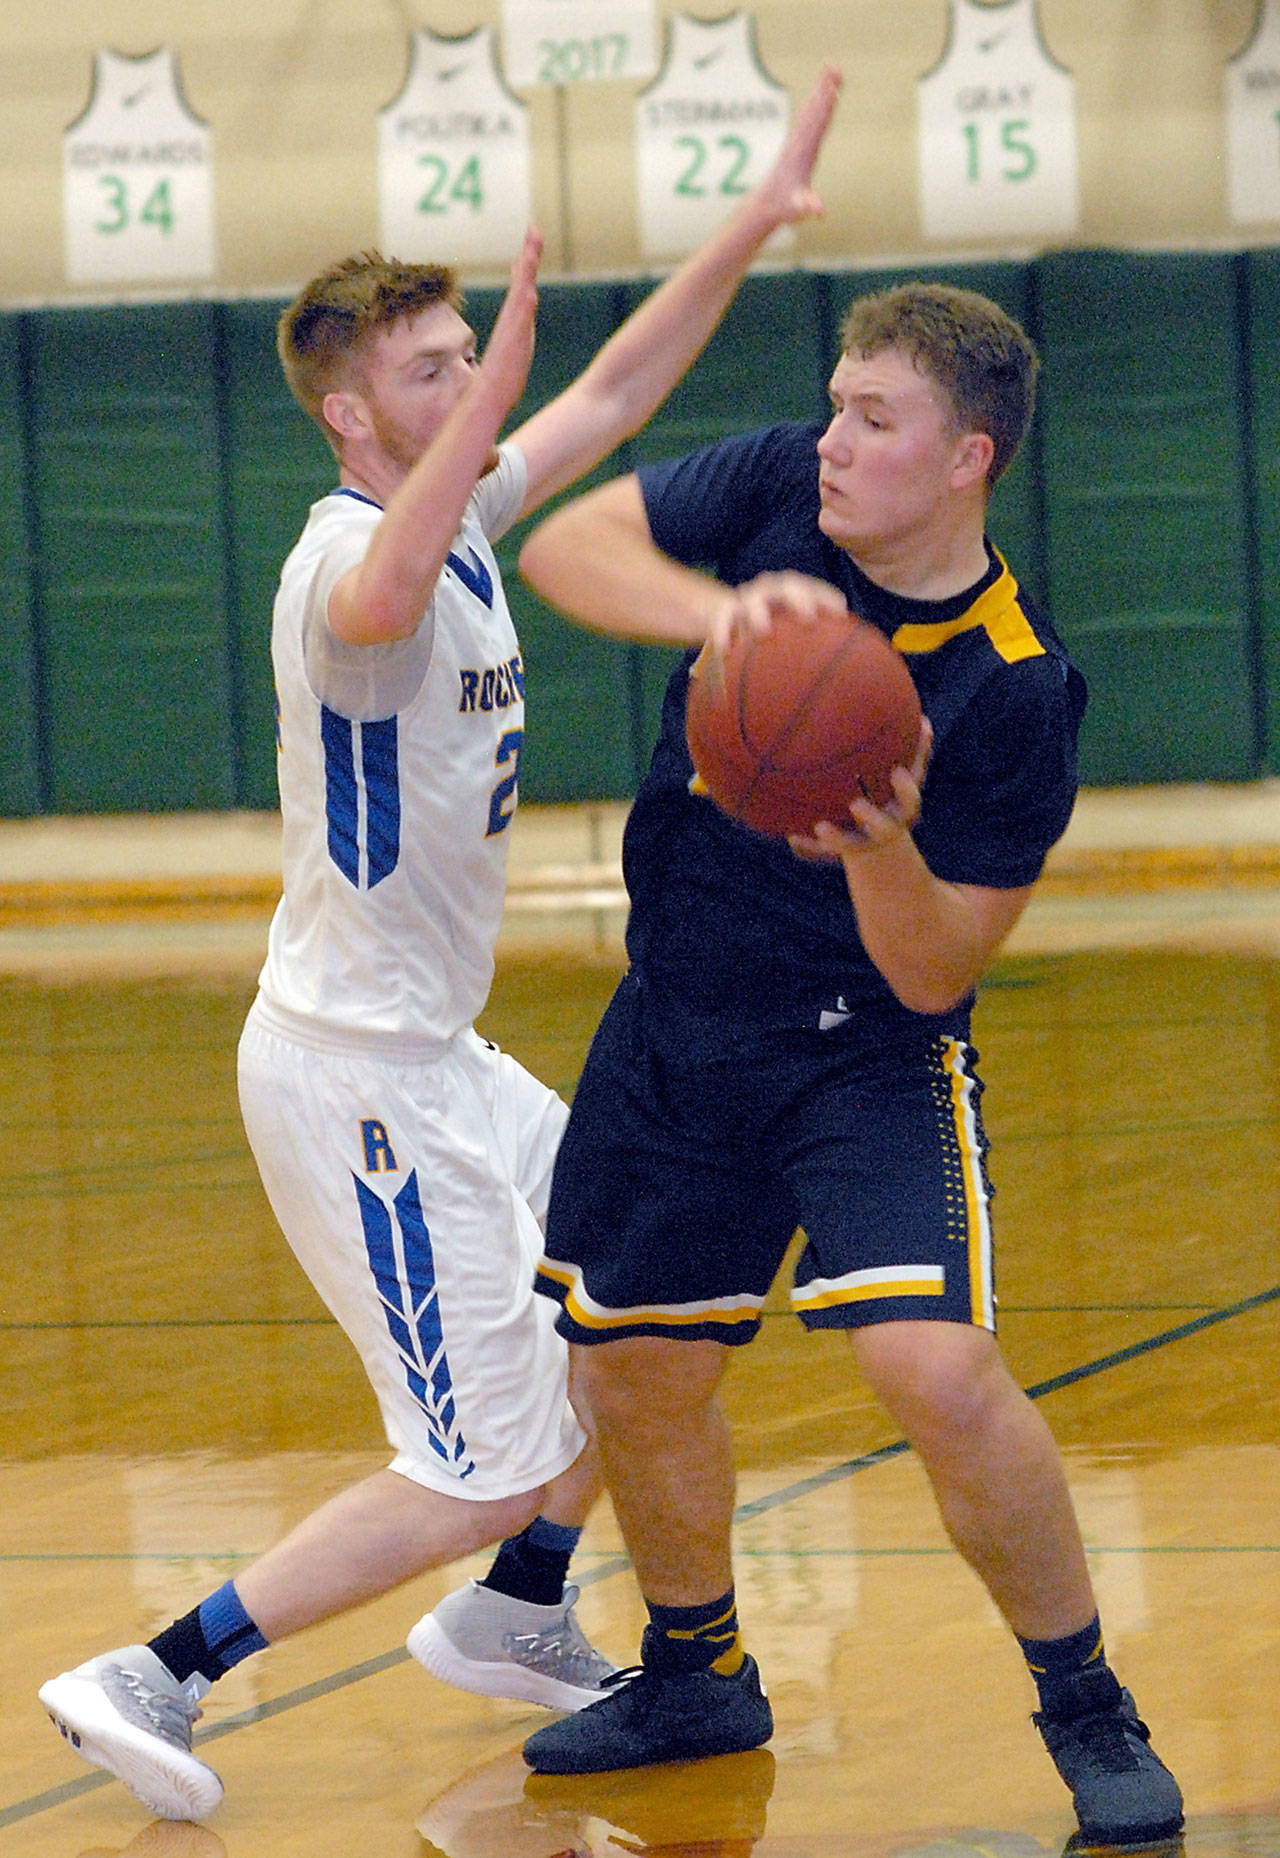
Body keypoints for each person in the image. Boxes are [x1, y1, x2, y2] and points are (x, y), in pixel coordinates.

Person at [36, 66, 843, 1824]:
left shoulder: (459, 514)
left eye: (471, 356)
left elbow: (621, 386)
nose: (472, 385)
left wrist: (754, 220)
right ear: (348, 416)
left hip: (439, 1056)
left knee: (618, 1307)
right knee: (477, 1461)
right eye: (432, 370)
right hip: (349, 1080)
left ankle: (520, 1607)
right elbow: (388, 596)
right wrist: (482, 423)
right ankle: (154, 1667)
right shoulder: (341, 574)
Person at [512, 281, 1186, 1851]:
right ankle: (696, 1669)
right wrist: (725, 618)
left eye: (874, 420)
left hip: (864, 1053)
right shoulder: (773, 492)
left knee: (935, 1368)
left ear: (967, 456)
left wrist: (880, 836)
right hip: (679, 1015)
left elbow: (939, 964)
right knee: (633, 1365)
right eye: (835, 403)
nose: (833, 439)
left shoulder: (1015, 683)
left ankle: (1088, 1703)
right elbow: (560, 546)